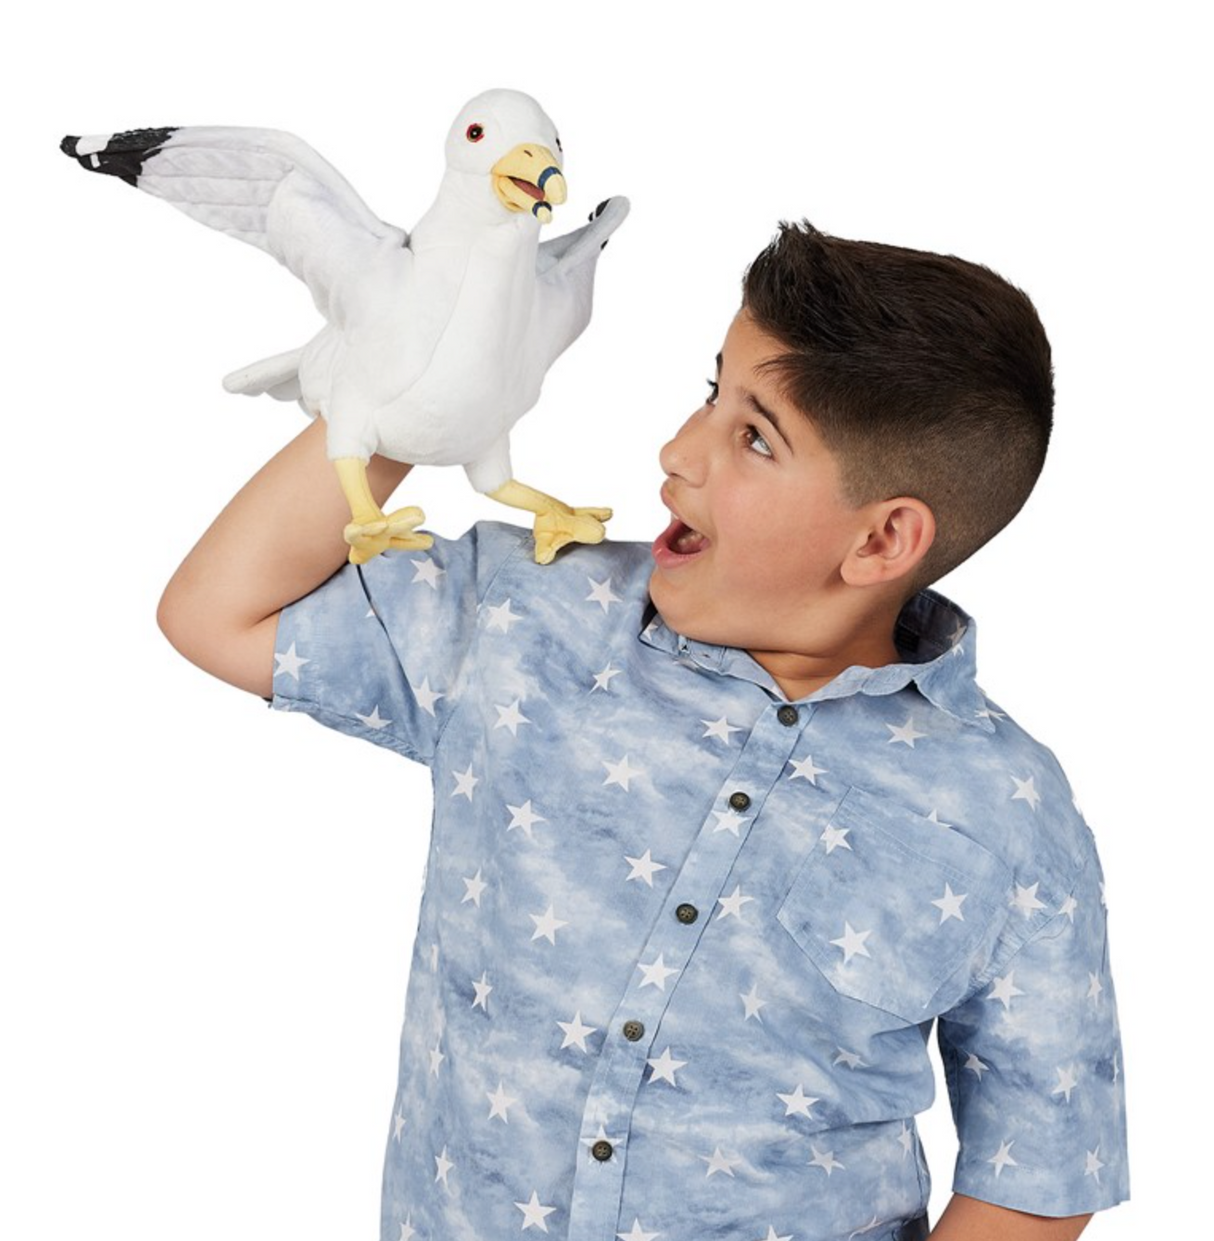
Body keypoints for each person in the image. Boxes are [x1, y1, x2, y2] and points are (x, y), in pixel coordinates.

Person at [158, 221, 1128, 1241]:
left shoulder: (1004, 815)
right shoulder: (516, 619)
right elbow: (219, 613)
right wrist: (413, 391)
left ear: (882, 537)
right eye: (712, 391)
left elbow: (1038, 1170)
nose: (677, 452)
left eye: (754, 436)